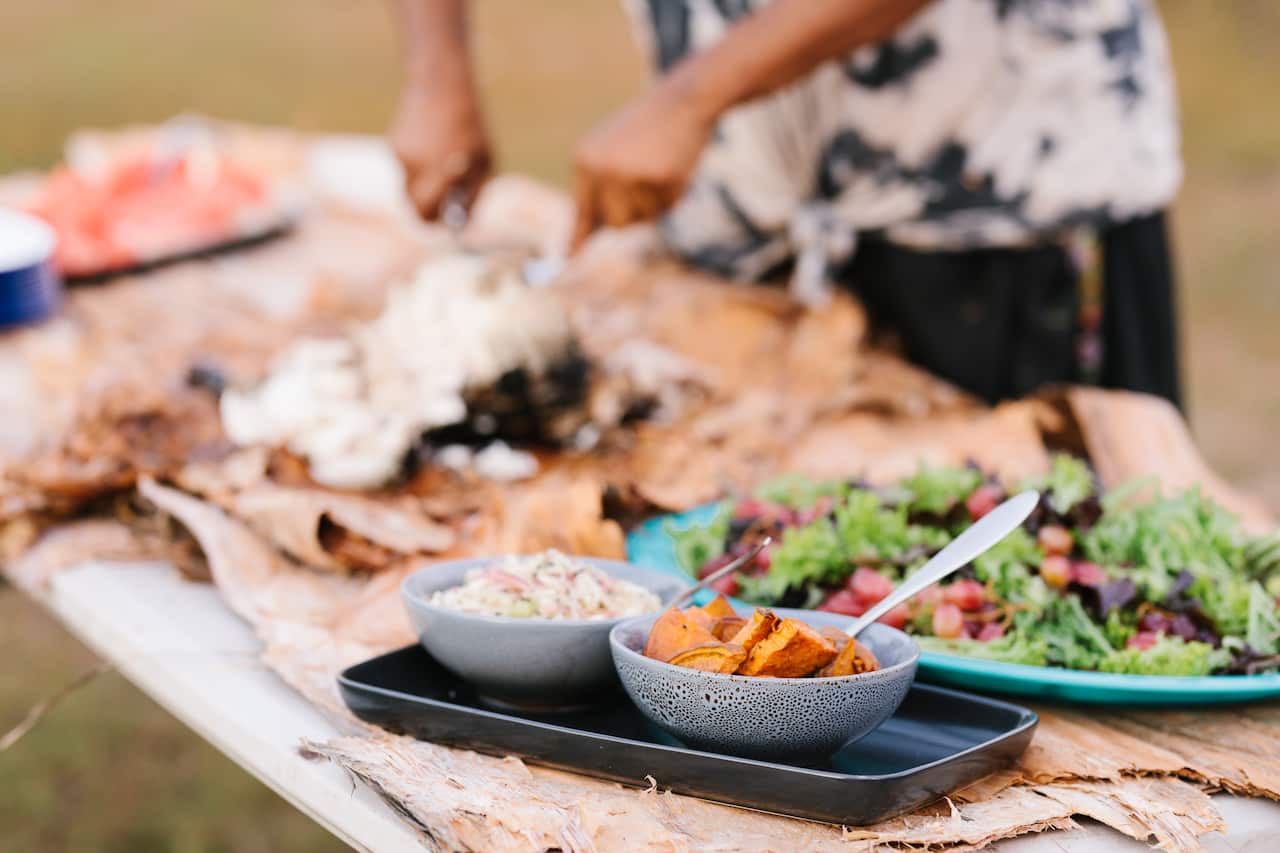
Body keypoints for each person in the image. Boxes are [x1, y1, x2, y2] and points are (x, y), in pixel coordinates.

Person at [390, 0, 1183, 408]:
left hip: (1002, 199)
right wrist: (437, 70)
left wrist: (692, 100)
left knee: (1048, 588)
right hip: (747, 204)